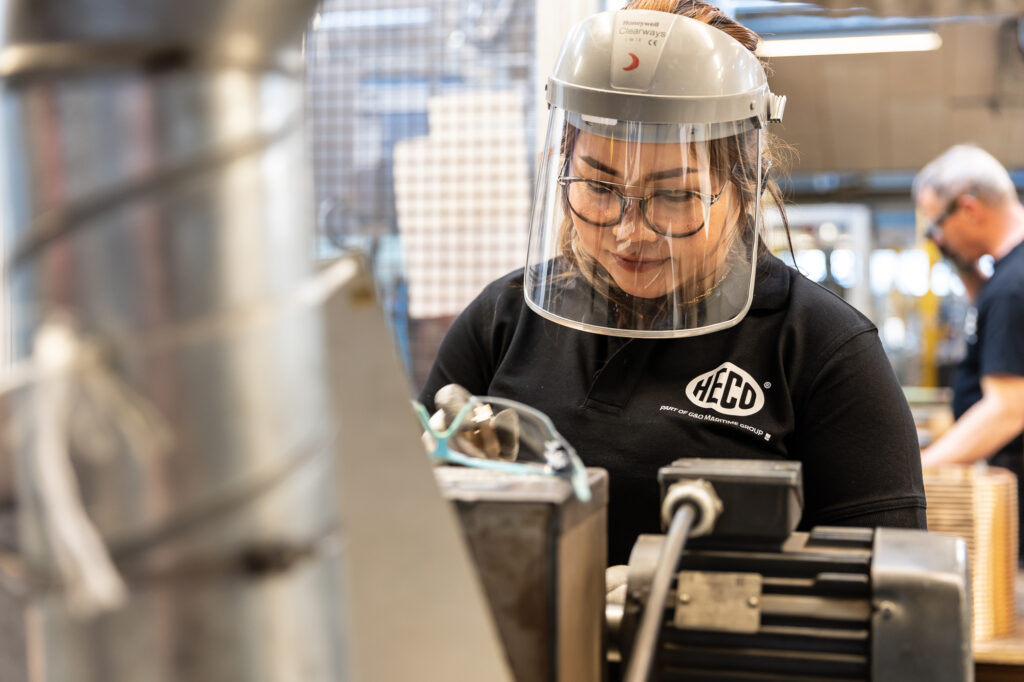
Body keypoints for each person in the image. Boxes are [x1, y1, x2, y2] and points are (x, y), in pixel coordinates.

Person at [420, 0, 926, 565]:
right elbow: (412, 527)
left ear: (744, 184)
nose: (630, 233)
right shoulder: (503, 322)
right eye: (598, 187)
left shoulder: (823, 353)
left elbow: (892, 596)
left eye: (675, 195)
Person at [914, 144, 1024, 552]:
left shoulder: (1012, 288)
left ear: (969, 208)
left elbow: (1008, 410)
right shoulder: (1007, 276)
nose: (937, 239)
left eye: (936, 226)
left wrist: (918, 471)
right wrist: (963, 266)